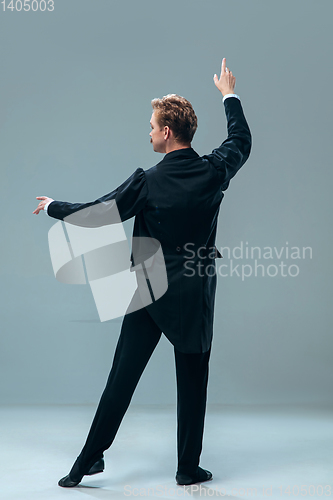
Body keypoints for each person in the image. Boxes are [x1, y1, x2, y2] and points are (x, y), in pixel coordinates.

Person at [33, 57, 251, 487]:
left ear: (167, 132)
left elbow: (100, 215)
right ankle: (188, 468)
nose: (148, 131)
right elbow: (241, 139)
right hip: (194, 297)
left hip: (149, 289)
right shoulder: (213, 171)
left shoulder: (147, 181)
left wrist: (54, 207)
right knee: (193, 382)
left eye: (152, 125)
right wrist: (229, 94)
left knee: (122, 378)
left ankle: (86, 462)